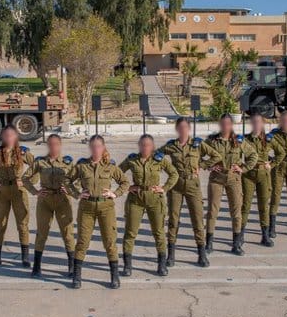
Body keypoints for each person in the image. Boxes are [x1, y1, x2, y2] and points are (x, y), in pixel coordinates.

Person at [67, 134, 128, 289]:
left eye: (99, 146)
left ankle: (114, 276)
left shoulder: (110, 166)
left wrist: (115, 193)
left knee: (109, 242)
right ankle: (77, 276)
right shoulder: (82, 166)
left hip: (106, 208)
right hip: (86, 207)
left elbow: (125, 182)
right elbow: (67, 180)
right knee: (82, 241)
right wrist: (76, 194)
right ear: (90, 147)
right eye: (93, 146)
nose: (96, 149)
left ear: (103, 147)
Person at [119, 134, 178, 277]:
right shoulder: (132, 159)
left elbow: (174, 174)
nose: (145, 147)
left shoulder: (159, 160)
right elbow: (117, 172)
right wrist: (127, 187)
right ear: (139, 146)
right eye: (142, 145)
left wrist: (164, 188)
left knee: (158, 232)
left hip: (154, 199)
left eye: (148, 145)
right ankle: (127, 265)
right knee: (130, 232)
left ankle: (162, 264)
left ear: (152, 147)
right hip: (136, 199)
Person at [0, 125, 34, 268]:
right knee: (0, 224)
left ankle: (25, 256)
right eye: (6, 135)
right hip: (2, 190)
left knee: (22, 224)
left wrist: (27, 182)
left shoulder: (22, 152)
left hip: (19, 191)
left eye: (11, 135)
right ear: (2, 137)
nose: (8, 138)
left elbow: (37, 167)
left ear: (16, 137)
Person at [25, 133, 76, 277]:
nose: (53, 146)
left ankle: (71, 266)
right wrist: (35, 192)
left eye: (56, 144)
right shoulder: (40, 162)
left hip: (63, 200)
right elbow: (25, 177)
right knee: (42, 233)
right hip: (45, 200)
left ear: (60, 145)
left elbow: (77, 178)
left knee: (67, 233)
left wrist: (71, 190)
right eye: (50, 144)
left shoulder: (67, 162)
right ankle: (37, 266)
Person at [159, 117, 207, 266]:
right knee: (173, 220)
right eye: (180, 127)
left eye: (185, 127)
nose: (183, 130)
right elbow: (156, 157)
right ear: (177, 129)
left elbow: (216, 156)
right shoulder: (171, 146)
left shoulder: (197, 144)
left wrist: (202, 165)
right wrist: (167, 170)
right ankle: (171, 255)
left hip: (193, 184)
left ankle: (202, 254)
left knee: (197, 219)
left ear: (189, 129)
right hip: (176, 186)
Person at [201, 114, 252, 254]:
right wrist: (208, 166)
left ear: (231, 125)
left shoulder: (238, 141)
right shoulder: (212, 141)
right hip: (216, 178)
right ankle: (209, 243)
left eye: (228, 124)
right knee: (212, 211)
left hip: (233, 178)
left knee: (236, 212)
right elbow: (197, 155)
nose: (225, 126)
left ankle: (236, 244)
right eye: (223, 123)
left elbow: (253, 156)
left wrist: (243, 169)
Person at [241, 113, 274, 246]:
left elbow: (283, 152)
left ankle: (265, 235)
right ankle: (240, 235)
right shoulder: (244, 139)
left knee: (263, 206)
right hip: (248, 175)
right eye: (254, 122)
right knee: (245, 205)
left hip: (263, 175)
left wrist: (271, 164)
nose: (256, 124)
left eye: (259, 122)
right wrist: (240, 167)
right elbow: (236, 154)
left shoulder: (269, 139)